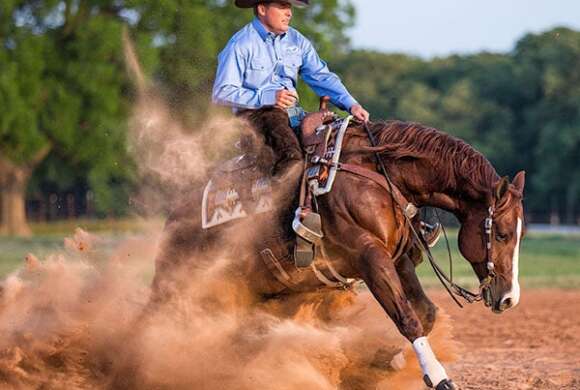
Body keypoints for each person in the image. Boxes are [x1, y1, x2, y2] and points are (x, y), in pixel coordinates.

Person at [212, 0, 369, 178]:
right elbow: (221, 92)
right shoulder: (240, 44)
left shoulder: (297, 41)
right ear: (262, 9)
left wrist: (351, 104)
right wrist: (268, 97)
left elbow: (321, 76)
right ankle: (274, 201)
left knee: (336, 148)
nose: (289, 13)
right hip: (254, 117)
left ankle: (314, 202)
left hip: (293, 114)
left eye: (289, 7)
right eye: (282, 6)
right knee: (292, 159)